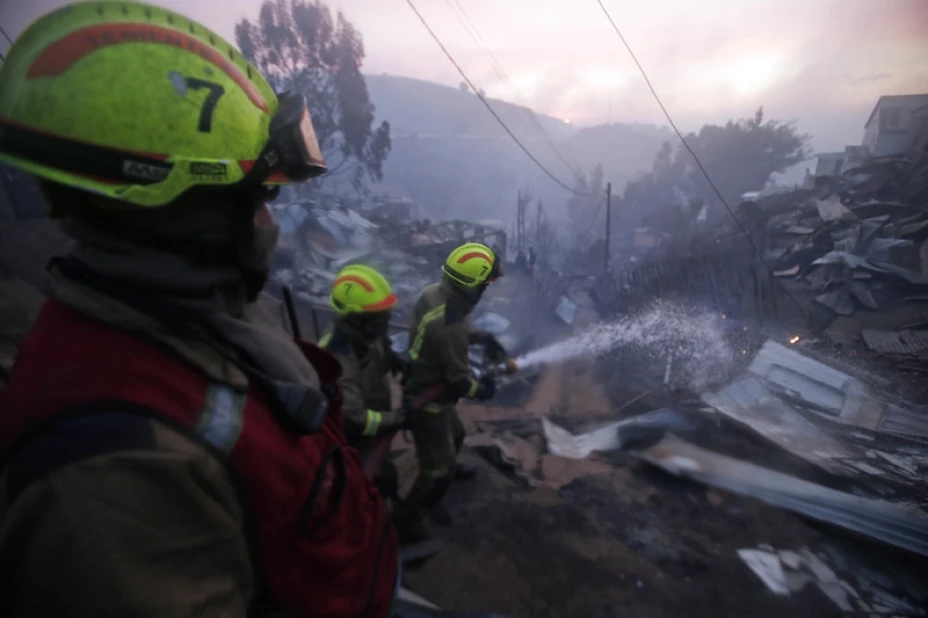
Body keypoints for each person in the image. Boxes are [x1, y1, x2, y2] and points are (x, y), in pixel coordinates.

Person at [0, 3, 396, 617]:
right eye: (257, 197)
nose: (268, 223)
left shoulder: (187, 318)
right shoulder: (118, 465)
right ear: (187, 211)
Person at [394, 242, 509, 542]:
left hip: (427, 384)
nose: (486, 290)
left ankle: (448, 468)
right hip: (428, 401)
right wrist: (483, 390)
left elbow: (456, 329)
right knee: (436, 471)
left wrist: (485, 337)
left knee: (457, 435)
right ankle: (409, 518)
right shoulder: (449, 325)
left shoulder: (435, 293)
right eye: (484, 285)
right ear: (471, 289)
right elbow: (459, 381)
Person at [319, 264, 408, 500]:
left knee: (386, 475)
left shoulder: (366, 332)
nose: (383, 324)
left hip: (377, 423)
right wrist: (397, 419)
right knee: (369, 487)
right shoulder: (337, 358)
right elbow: (352, 419)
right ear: (354, 319)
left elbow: (381, 345)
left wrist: (395, 361)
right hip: (358, 442)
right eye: (378, 318)